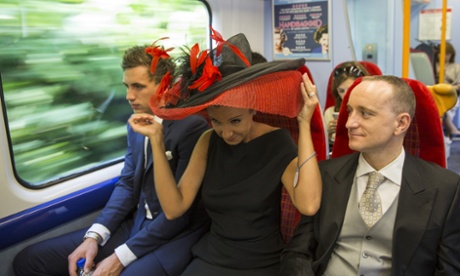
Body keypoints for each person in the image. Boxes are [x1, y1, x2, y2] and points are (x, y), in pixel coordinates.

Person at [128, 30, 322, 275]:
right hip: (211, 258)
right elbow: (174, 208)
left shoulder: (278, 143)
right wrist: (157, 139)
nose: (226, 133)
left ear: (253, 108)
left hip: (260, 264)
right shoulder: (208, 141)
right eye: (216, 122)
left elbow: (309, 204)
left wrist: (304, 123)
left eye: (235, 121)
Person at [13, 43, 210, 276]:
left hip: (172, 235)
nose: (129, 96)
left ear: (164, 84)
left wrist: (120, 257)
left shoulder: (190, 128)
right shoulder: (135, 124)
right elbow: (127, 184)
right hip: (136, 224)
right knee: (30, 260)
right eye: (126, 86)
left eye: (138, 86)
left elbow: (179, 216)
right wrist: (94, 237)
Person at [280, 75, 460, 275]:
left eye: (365, 114)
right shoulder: (325, 174)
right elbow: (298, 253)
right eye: (350, 111)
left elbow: (449, 269)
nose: (349, 123)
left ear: (401, 123)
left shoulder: (446, 188)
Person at [324, 62, 369, 144]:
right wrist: (329, 134)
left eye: (351, 89)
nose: (345, 95)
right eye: (341, 91)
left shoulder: (372, 111)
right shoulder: (330, 113)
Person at [435, 42, 460, 137]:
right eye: (442, 53)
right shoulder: (433, 65)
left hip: (451, 93)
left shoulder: (456, 67)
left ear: (451, 55)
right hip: (436, 92)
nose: (445, 56)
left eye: (447, 54)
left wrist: (452, 87)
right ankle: (450, 128)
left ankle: (449, 127)